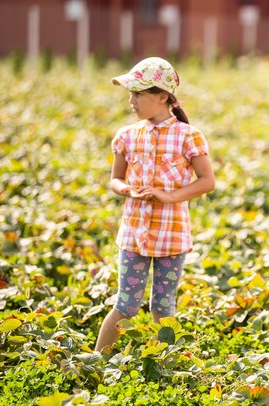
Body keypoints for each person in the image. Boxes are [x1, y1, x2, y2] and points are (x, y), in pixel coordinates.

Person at [95, 57, 215, 351]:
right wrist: (128, 190)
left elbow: (207, 181)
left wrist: (170, 196)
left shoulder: (189, 136)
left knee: (164, 307)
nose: (131, 100)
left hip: (171, 236)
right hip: (134, 234)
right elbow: (115, 179)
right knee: (125, 304)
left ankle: (168, 362)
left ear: (163, 96)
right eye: (130, 93)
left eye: (138, 93)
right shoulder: (127, 136)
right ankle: (96, 362)